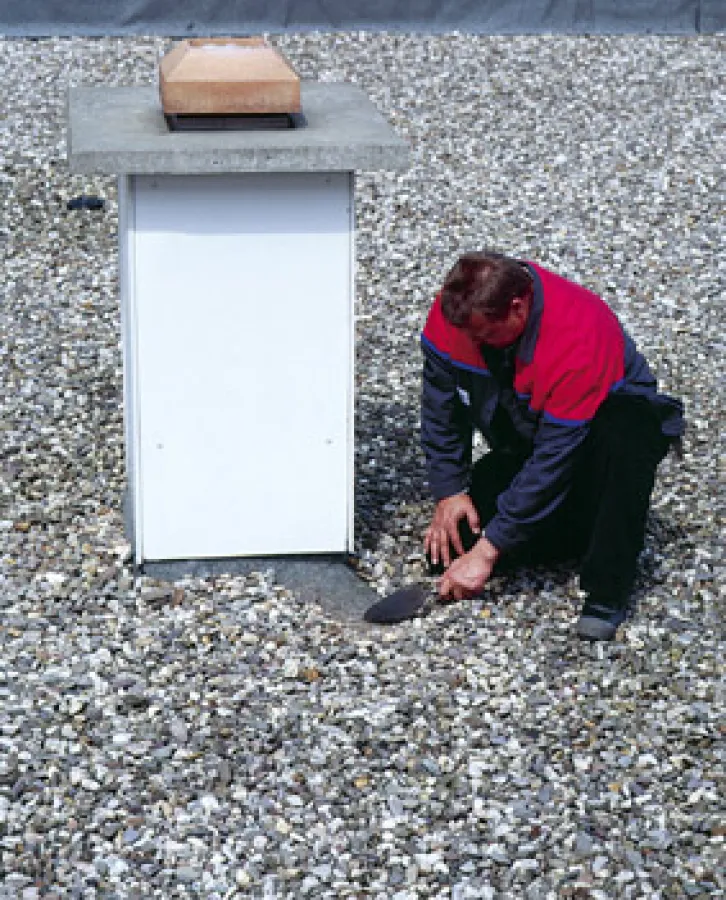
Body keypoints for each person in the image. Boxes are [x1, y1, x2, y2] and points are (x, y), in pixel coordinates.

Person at [420, 251, 684, 640]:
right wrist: (450, 491)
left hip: (600, 440)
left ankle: (607, 585)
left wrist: (489, 550)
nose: (472, 342)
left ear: (517, 307)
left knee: (626, 433)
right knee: (453, 547)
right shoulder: (455, 314)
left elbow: (555, 459)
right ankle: (580, 528)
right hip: (529, 434)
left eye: (485, 335)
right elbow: (440, 409)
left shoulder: (577, 336)